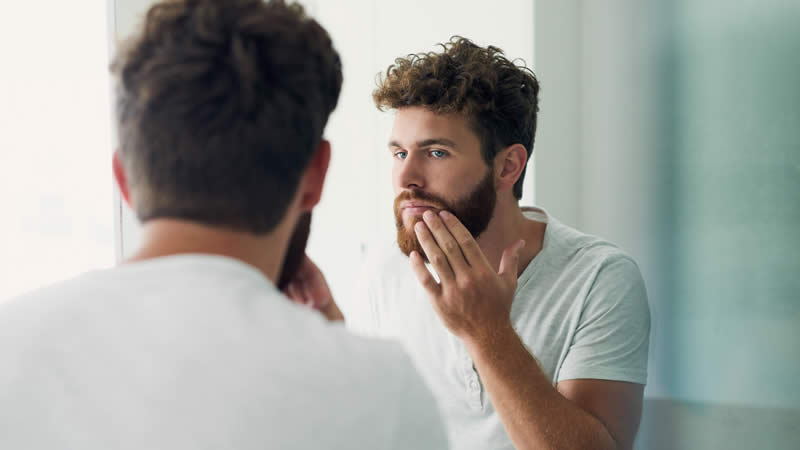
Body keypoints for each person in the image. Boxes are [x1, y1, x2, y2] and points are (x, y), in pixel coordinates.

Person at [0, 1, 447, 449]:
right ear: (315, 175)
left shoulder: (12, 345)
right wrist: (338, 355)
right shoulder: (383, 393)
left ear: (123, 178)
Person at [292, 37, 651, 450]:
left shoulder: (598, 278)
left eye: (437, 153)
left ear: (508, 166)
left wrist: (486, 331)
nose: (406, 177)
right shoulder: (386, 266)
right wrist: (330, 326)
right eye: (398, 152)